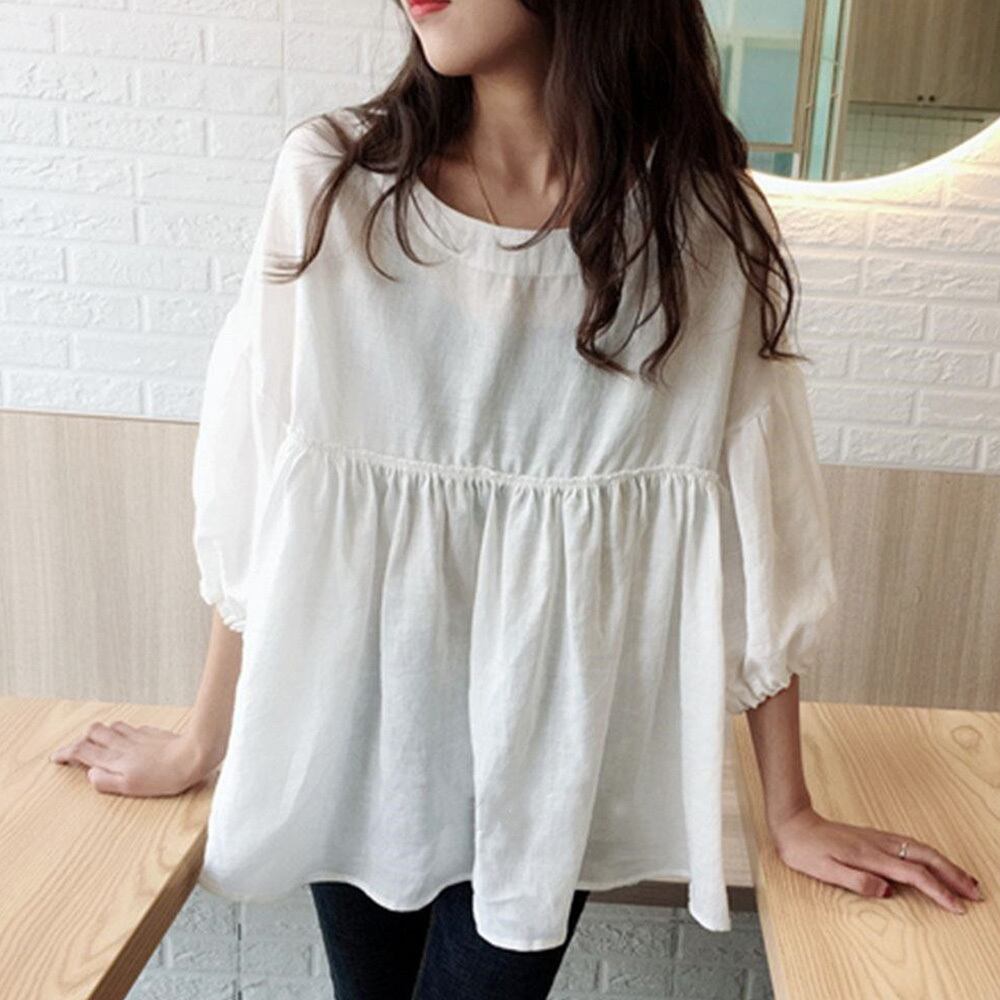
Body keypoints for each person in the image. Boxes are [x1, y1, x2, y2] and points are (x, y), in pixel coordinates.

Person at [50, 0, 984, 997]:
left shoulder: (698, 231)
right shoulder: (335, 185)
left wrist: (788, 807)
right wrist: (205, 737)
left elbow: (764, 525)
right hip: (362, 714)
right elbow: (265, 491)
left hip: (557, 750)